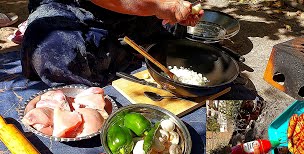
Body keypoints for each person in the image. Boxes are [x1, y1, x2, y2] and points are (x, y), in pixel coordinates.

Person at [21, 0, 204, 87]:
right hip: (73, 8)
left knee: (175, 39)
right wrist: (159, 6)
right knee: (51, 49)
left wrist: (175, 6)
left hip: (134, 13)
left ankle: (119, 51)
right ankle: (123, 51)